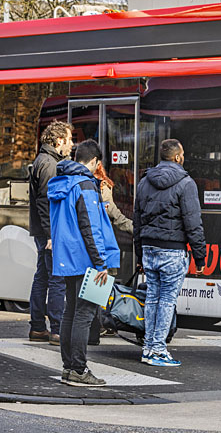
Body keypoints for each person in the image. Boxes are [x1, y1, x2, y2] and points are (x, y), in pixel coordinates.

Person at [48, 139, 120, 387]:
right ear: (95, 161)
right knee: (85, 313)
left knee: (71, 311)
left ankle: (69, 368)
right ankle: (79, 369)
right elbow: (91, 228)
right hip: (89, 260)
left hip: (68, 258)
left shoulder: (62, 182)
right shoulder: (86, 185)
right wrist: (101, 264)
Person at [134, 138, 206, 368]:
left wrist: (139, 253)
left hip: (149, 247)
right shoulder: (186, 183)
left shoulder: (144, 181)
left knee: (153, 298)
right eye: (182, 154)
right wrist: (200, 256)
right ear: (177, 157)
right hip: (172, 250)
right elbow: (193, 222)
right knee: (167, 300)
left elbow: (137, 221)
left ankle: (148, 347)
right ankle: (158, 349)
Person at [27, 120, 73, 345]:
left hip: (43, 230)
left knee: (42, 276)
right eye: (69, 140)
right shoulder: (49, 164)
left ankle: (37, 327)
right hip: (50, 232)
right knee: (56, 279)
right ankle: (56, 329)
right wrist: (51, 235)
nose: (71, 145)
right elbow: (46, 203)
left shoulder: (43, 160)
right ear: (58, 141)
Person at [88, 161, 134, 346]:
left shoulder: (74, 183)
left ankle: (94, 327)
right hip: (102, 246)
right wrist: (136, 229)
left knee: (88, 293)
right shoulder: (101, 186)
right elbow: (113, 214)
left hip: (85, 247)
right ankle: (97, 327)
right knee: (98, 289)